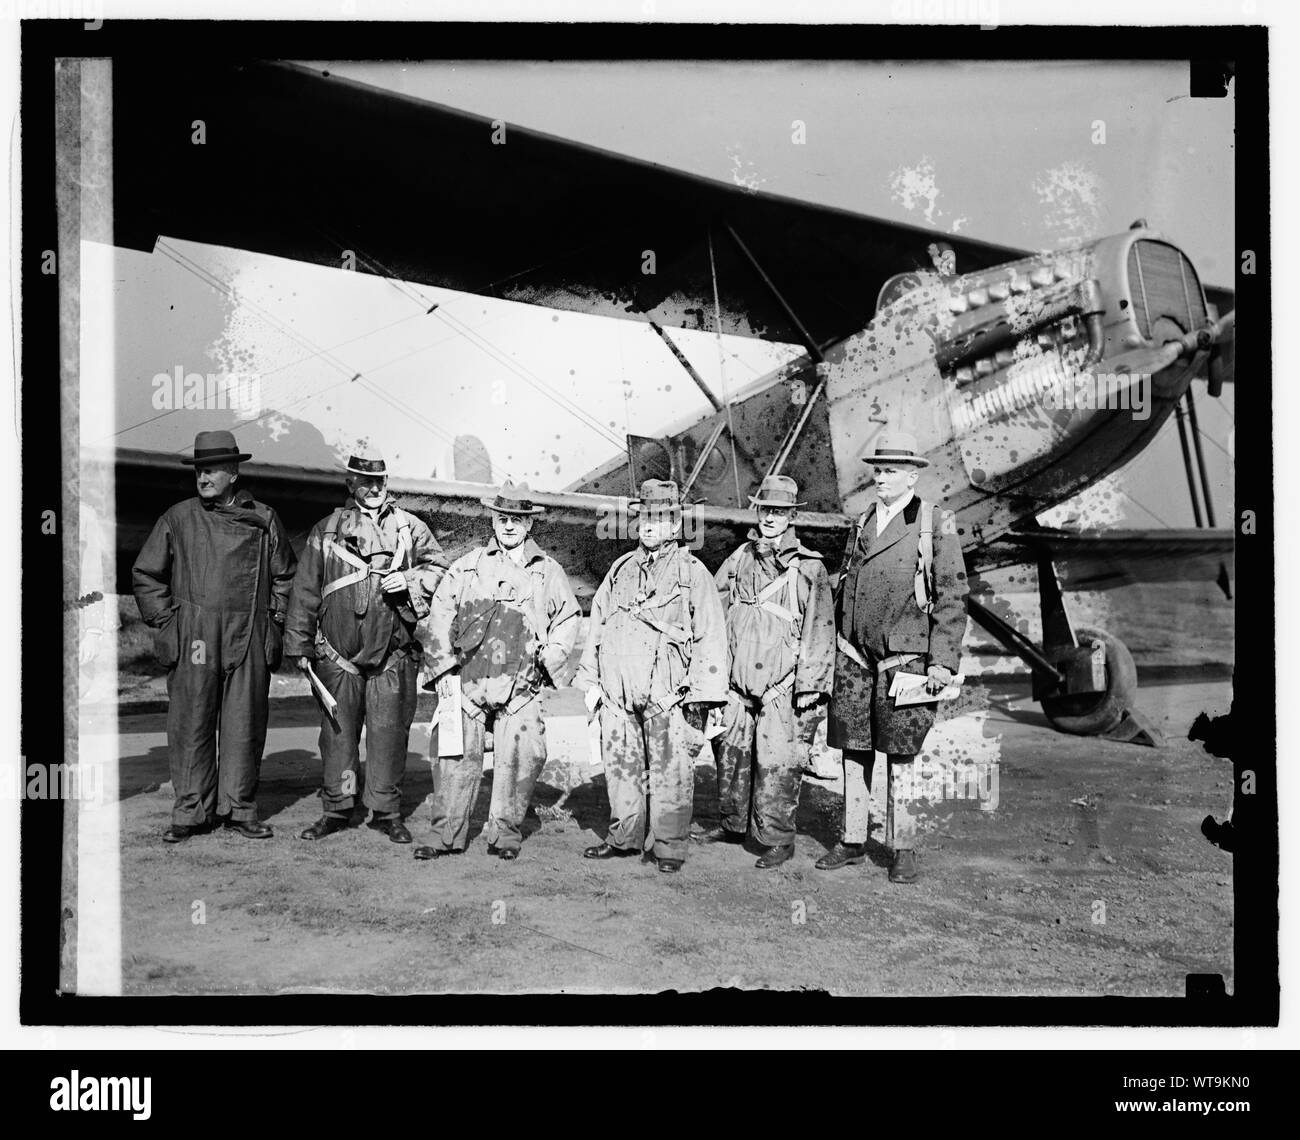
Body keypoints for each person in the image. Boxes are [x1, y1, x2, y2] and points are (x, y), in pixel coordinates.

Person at [132, 430, 297, 842]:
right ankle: (190, 813)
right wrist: (169, 622)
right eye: (199, 469)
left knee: (244, 724)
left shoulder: (265, 518)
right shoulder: (179, 517)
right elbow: (147, 574)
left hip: (249, 632)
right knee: (191, 723)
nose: (203, 477)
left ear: (234, 472)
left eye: (212, 469)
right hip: (196, 636)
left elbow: (285, 577)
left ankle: (239, 810)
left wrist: (273, 622)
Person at [820, 430, 968, 884]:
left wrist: (941, 662)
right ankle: (852, 838)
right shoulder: (862, 519)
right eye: (877, 470)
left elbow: (953, 596)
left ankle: (902, 846)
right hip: (853, 658)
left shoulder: (935, 522)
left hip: (905, 662)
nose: (880, 478)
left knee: (902, 756)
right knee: (853, 750)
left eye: (889, 471)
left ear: (912, 475)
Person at [285, 448, 447, 845]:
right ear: (351, 484)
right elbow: (305, 590)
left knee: (389, 734)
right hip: (336, 657)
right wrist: (299, 645)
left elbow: (441, 570)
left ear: (386, 483)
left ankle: (386, 812)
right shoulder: (326, 531)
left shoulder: (411, 528)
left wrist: (408, 582)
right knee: (338, 736)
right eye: (365, 481)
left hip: (393, 653)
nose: (373, 488)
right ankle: (337, 810)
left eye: (379, 481)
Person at [414, 483, 580, 861]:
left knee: (521, 757)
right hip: (469, 681)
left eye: (517, 520)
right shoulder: (467, 565)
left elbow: (567, 619)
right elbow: (440, 615)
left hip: (521, 684)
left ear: (529, 526)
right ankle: (445, 835)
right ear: (493, 519)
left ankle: (505, 834)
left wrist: (548, 658)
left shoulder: (547, 571)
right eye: (502, 518)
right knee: (453, 756)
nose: (508, 526)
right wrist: (444, 674)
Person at [576, 480, 727, 874]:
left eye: (659, 518)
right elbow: (598, 623)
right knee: (621, 770)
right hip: (617, 694)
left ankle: (669, 848)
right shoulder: (620, 569)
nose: (649, 525)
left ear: (675, 525)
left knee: (671, 775)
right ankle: (624, 838)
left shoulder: (693, 573)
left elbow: (711, 635)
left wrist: (703, 696)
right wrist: (590, 681)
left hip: (668, 696)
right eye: (644, 516)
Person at [701, 475, 835, 868]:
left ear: (791, 516)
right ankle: (732, 824)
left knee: (777, 764)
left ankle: (777, 838)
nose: (771, 518)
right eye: (766, 511)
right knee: (730, 755)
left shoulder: (809, 568)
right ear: (757, 512)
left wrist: (810, 685)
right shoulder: (740, 557)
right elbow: (713, 607)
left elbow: (821, 629)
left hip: (783, 686)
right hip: (736, 684)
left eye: (779, 512)